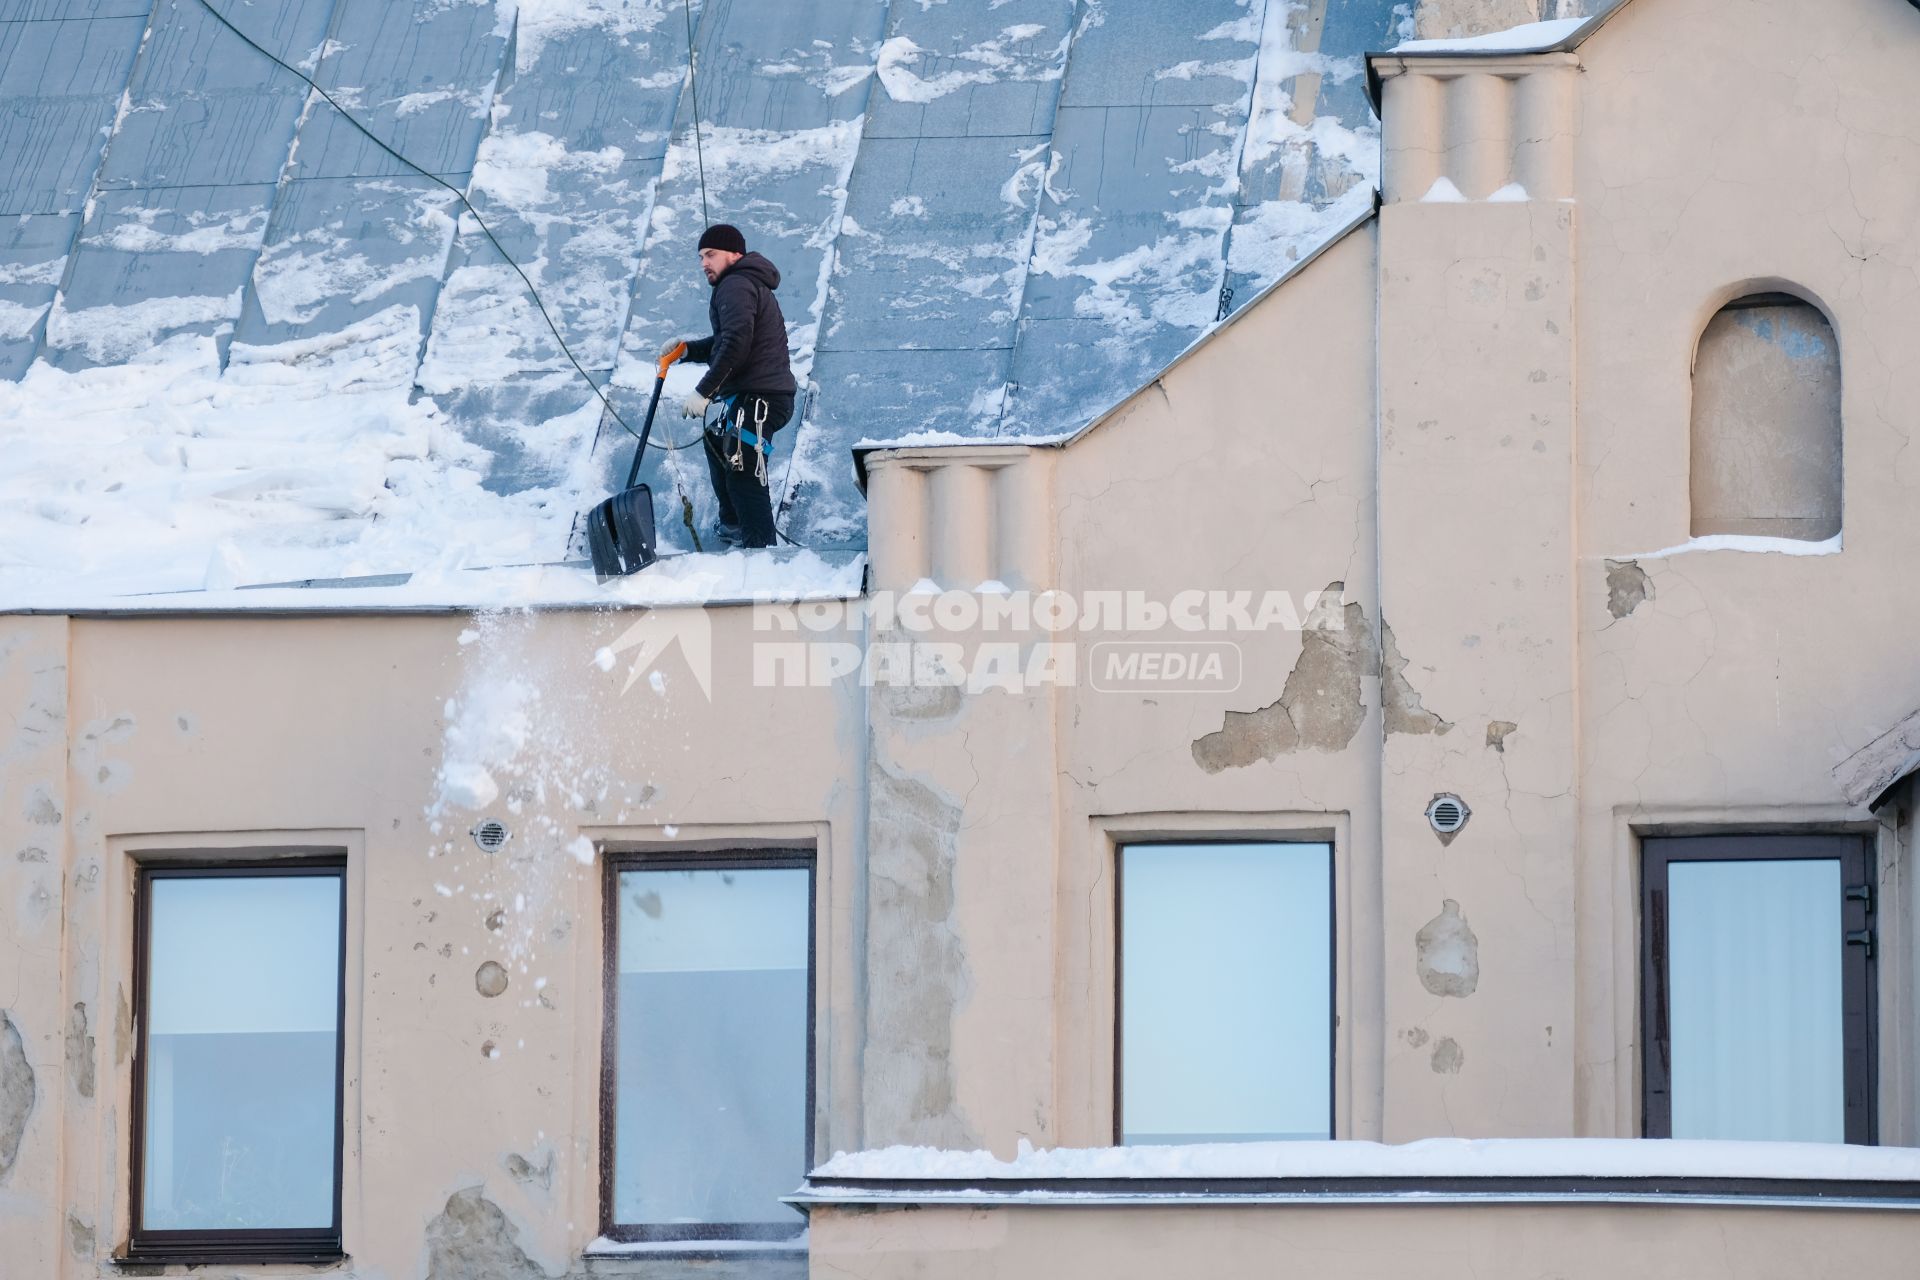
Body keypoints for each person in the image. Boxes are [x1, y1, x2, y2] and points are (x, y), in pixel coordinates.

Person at [667, 224, 797, 550]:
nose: (704, 263)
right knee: (716, 442)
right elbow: (728, 340)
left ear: (735, 254)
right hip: (755, 396)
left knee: (743, 471)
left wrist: (704, 391)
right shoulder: (742, 283)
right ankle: (735, 526)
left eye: (710, 255)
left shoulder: (736, 284)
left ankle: (760, 552)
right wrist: (688, 351)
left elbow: (737, 344)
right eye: (700, 257)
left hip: (760, 397)